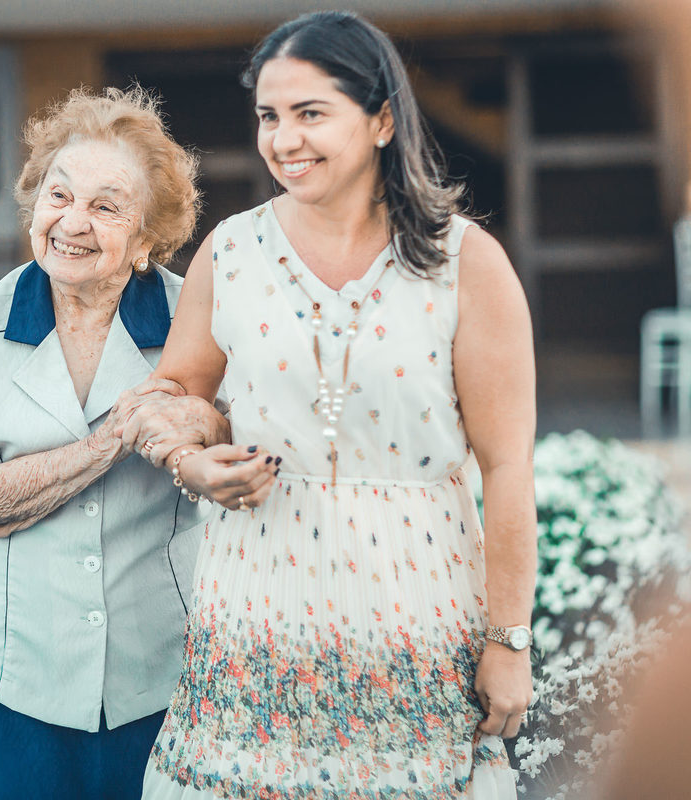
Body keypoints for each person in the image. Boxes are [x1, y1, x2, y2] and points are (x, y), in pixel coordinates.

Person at [136, 12, 534, 799]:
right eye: (269, 116)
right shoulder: (230, 251)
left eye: (310, 113)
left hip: (417, 614)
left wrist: (509, 640)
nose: (284, 139)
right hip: (256, 610)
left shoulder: (466, 262)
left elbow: (508, 465)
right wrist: (191, 461)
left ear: (382, 120)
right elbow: (174, 393)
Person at [0, 87, 262, 800]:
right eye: (59, 196)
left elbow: (246, 443)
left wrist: (204, 426)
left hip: (161, 662)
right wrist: (114, 438)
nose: (72, 222)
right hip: (12, 663)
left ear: (146, 239)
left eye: (106, 207)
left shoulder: (199, 320)